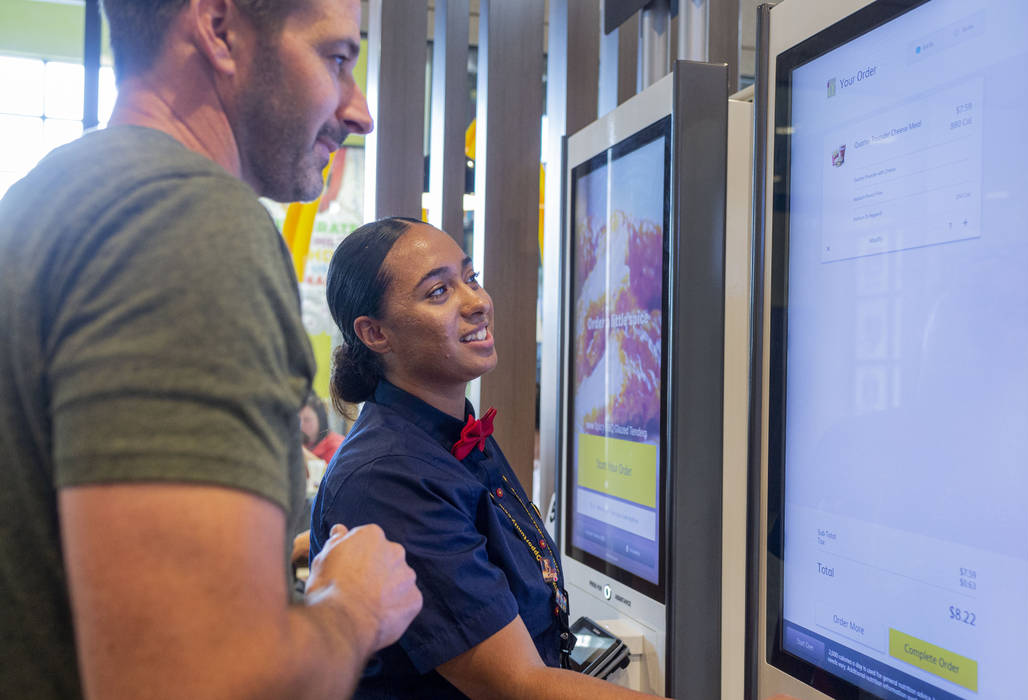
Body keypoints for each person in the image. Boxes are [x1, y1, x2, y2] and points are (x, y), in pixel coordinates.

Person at [0, 1, 421, 698]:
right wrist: (356, 607)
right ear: (220, 28)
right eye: (336, 60)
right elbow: (200, 680)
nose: (359, 111)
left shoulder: (41, 200)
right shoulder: (188, 221)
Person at [311, 217, 656, 699]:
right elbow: (516, 685)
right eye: (438, 292)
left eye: (470, 278)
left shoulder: (454, 435)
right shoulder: (388, 475)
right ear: (374, 333)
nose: (477, 302)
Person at [301, 390, 346, 464]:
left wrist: (300, 450)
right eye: (299, 420)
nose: (301, 425)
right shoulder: (306, 443)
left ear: (320, 419)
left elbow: (329, 473)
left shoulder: (337, 445)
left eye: (307, 420)